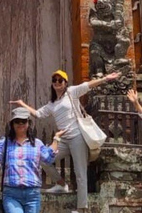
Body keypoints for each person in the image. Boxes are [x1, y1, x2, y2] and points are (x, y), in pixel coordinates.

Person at [10, 69, 121, 213]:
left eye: (60, 80)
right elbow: (38, 114)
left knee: (80, 173)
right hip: (63, 140)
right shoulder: (52, 104)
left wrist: (106, 78)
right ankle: (61, 184)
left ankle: (82, 208)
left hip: (77, 137)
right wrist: (22, 104)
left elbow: (88, 85)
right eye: (54, 80)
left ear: (65, 83)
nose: (57, 83)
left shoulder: (72, 92)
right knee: (43, 159)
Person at [0, 107, 66, 213]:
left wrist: (56, 139)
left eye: (23, 121)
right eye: (17, 121)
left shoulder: (37, 143)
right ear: (12, 124)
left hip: (32, 194)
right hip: (11, 193)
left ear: (28, 123)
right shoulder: (5, 142)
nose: (20, 124)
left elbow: (48, 158)